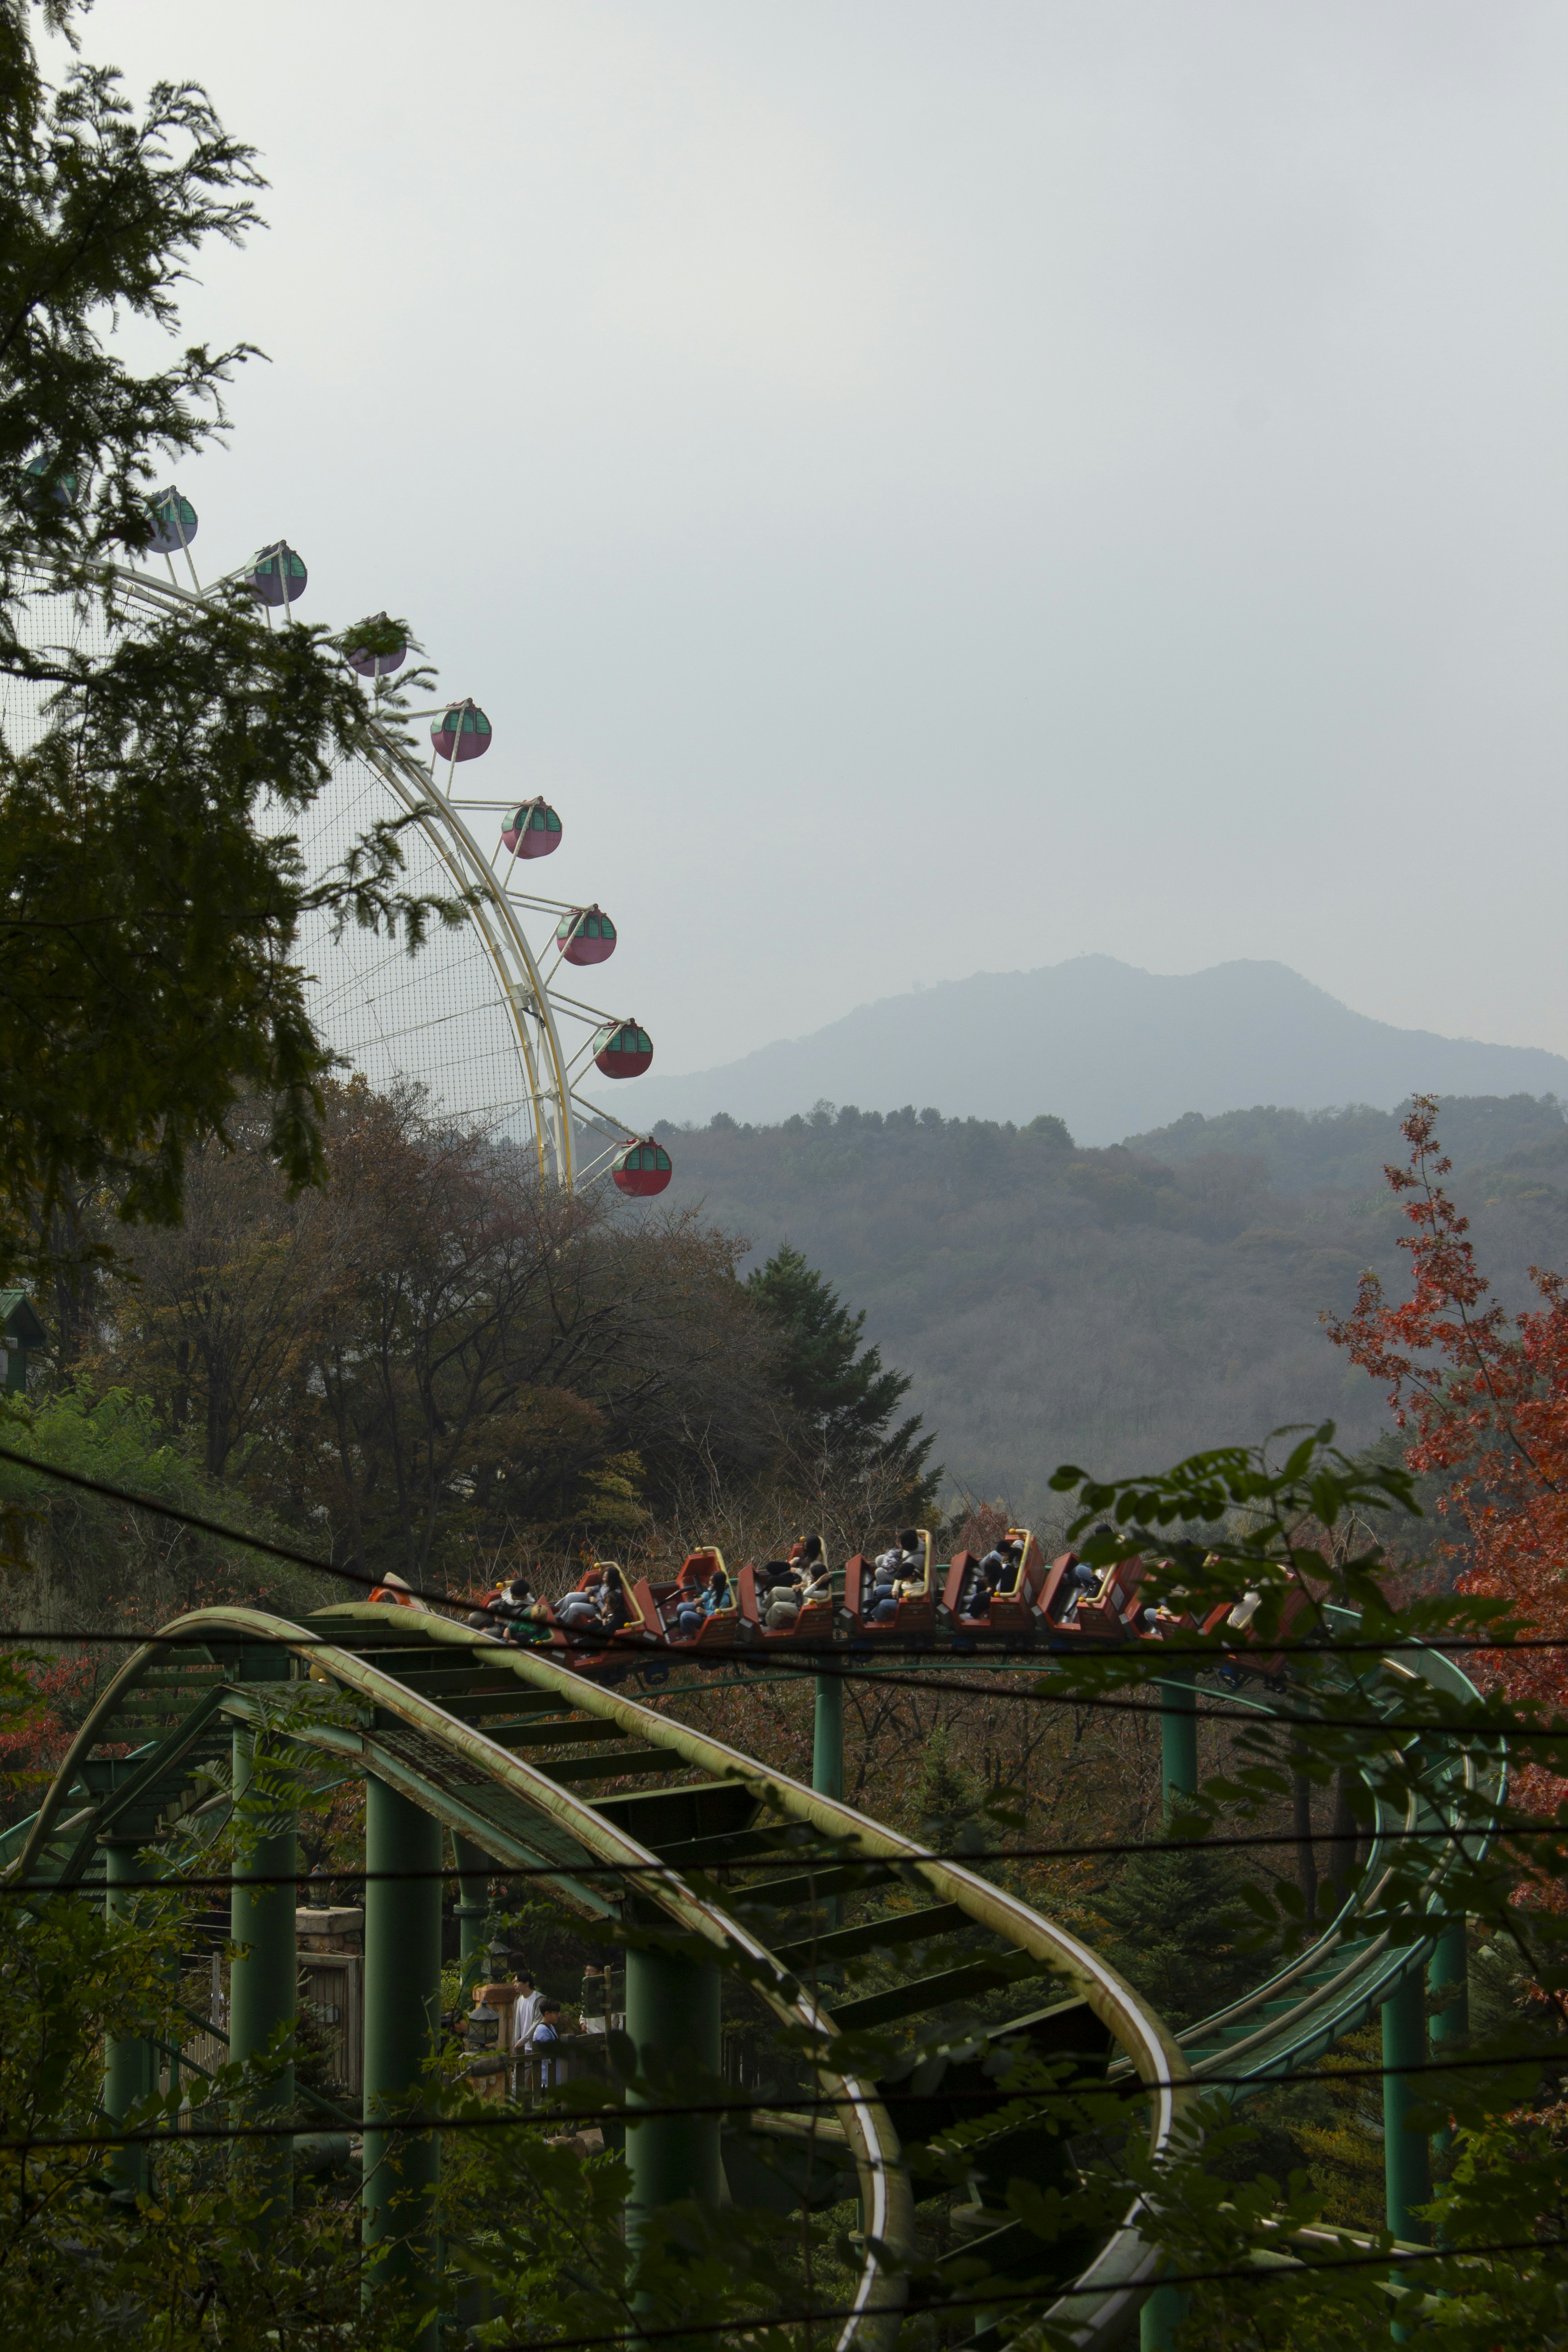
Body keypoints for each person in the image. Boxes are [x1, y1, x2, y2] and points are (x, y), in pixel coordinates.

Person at [530, 1997, 564, 2091]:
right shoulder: (542, 2030)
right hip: (547, 2078)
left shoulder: (551, 2027)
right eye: (556, 2014)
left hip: (555, 2075)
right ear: (547, 2014)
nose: (558, 2016)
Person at [512, 1971, 543, 2053]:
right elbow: (516, 2025)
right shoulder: (518, 2000)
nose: (514, 1985)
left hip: (534, 2046)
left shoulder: (539, 2000)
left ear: (526, 1984)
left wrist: (523, 2040)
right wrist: (515, 2043)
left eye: (517, 1982)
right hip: (520, 2047)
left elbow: (537, 2022)